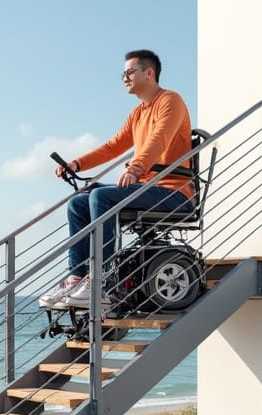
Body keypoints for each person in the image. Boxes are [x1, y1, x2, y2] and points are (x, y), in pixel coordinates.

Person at [39, 49, 194, 310]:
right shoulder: (138, 113)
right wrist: (77, 164)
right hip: (147, 188)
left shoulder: (171, 101)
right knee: (79, 201)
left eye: (130, 72)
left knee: (102, 196)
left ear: (149, 73)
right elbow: (113, 147)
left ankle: (101, 281)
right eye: (123, 73)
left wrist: (136, 168)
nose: (124, 78)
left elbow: (159, 139)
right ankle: (77, 278)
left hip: (173, 192)